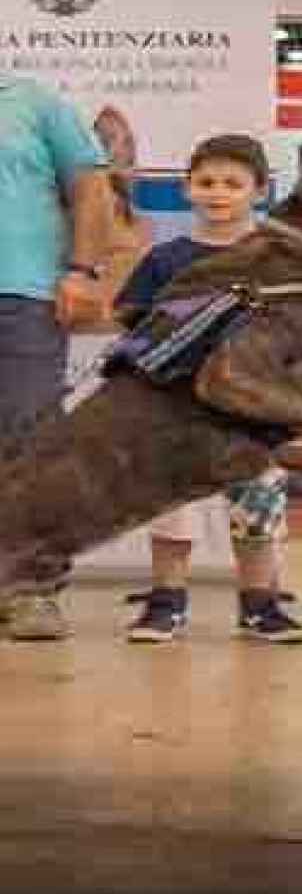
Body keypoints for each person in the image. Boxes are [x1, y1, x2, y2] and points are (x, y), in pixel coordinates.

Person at [114, 134, 302, 644]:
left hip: (254, 407)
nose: (218, 193)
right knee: (173, 511)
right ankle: (165, 603)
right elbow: (131, 318)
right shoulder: (165, 258)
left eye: (233, 184)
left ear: (259, 190)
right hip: (178, 405)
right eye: (206, 182)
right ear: (187, 189)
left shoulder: (280, 258)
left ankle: (261, 605)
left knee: (258, 509)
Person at [0, 76, 113, 641]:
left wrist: (84, 269)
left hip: (23, 295)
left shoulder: (35, 103)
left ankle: (30, 591)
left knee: (30, 442)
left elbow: (90, 187)